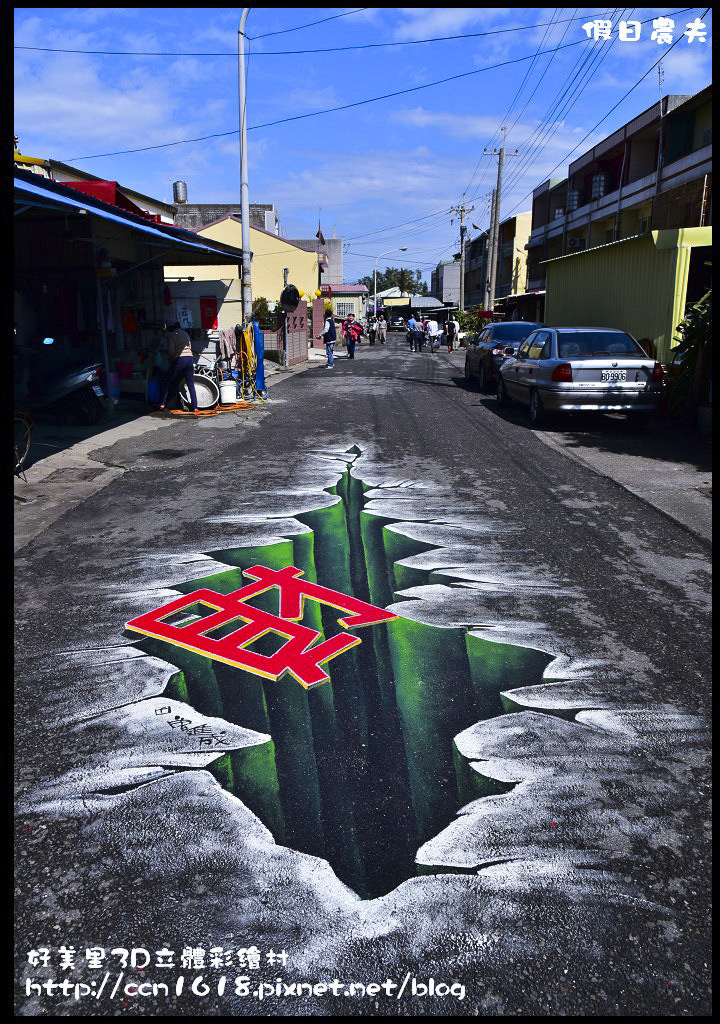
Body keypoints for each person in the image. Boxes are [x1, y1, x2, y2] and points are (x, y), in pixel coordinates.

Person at [157, 320, 198, 413]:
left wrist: (169, 359)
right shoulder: (186, 334)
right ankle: (195, 406)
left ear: (171, 328)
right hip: (190, 359)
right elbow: (190, 346)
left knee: (166, 381)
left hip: (179, 360)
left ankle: (161, 403)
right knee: (191, 384)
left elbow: (171, 351)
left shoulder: (172, 335)